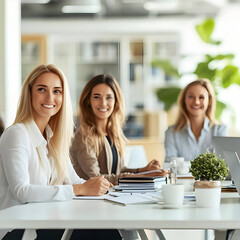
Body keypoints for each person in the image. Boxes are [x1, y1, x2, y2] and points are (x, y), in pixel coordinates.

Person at [0, 64, 110, 239]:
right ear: (30, 94)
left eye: (57, 91)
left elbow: (75, 181)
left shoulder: (52, 138)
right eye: (42, 89)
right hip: (17, 230)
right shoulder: (17, 134)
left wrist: (105, 190)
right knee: (100, 233)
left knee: (107, 229)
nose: (50, 97)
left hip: (43, 222)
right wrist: (78, 189)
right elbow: (22, 192)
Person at [71, 74, 167, 186]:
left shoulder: (113, 133)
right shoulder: (83, 136)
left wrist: (143, 170)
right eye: (97, 97)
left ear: (116, 101)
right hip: (91, 200)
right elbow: (96, 178)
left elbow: (117, 171)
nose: (103, 103)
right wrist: (143, 176)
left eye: (109, 97)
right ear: (88, 101)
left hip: (112, 196)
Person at [164, 79, 227, 163]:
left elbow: (221, 164)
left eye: (201, 97)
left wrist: (184, 165)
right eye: (191, 97)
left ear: (209, 101)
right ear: (184, 100)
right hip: (181, 177)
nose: (196, 102)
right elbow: (170, 164)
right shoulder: (171, 132)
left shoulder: (219, 130)